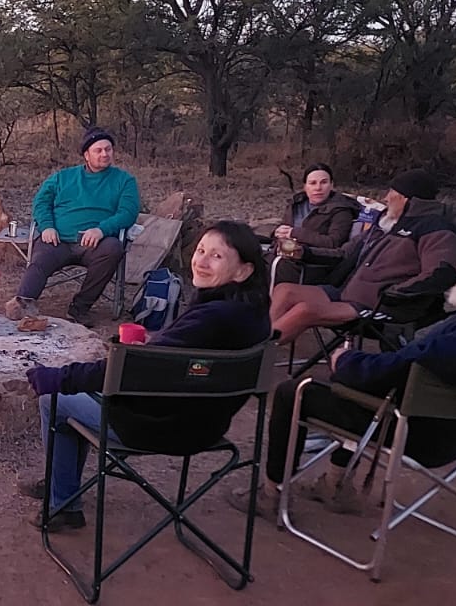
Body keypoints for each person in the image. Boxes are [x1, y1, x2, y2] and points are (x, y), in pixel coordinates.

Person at [232, 238, 456, 516]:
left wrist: (346, 360)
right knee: (355, 393)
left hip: (416, 433)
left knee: (295, 391)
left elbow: (387, 373)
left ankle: (270, 494)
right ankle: (335, 485)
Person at [19, 221, 272, 531]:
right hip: (206, 422)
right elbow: (187, 357)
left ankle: (63, 505)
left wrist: (59, 377)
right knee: (76, 395)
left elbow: (128, 370)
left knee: (54, 398)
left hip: (160, 425)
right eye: (201, 250)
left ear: (243, 271)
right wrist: (158, 346)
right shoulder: (251, 313)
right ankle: (61, 485)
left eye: (216, 256)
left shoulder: (214, 317)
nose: (202, 261)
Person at [268, 169, 456, 342]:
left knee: (305, 311)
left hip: (377, 305)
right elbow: (344, 254)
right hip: (348, 292)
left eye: (391, 193)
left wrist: (391, 293)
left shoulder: (436, 230)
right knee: (285, 291)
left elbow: (440, 274)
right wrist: (305, 253)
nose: (386, 198)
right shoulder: (386, 224)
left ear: (405, 199)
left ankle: (258, 354)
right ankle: (257, 342)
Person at [2, 127, 142, 326]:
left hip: (95, 244)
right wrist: (47, 226)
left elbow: (128, 212)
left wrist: (101, 230)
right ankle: (23, 303)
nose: (105, 154)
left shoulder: (124, 180)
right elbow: (41, 202)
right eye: (98, 150)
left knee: (113, 248)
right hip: (58, 240)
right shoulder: (63, 177)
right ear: (86, 155)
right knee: (41, 257)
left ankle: (79, 308)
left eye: (108, 149)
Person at [272, 163, 361, 284]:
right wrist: (277, 233)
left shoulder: (341, 210)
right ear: (305, 186)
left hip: (313, 263)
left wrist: (295, 233)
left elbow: (333, 243)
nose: (318, 188)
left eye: (324, 182)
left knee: (276, 267)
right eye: (312, 183)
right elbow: (283, 229)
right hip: (284, 254)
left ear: (331, 185)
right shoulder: (296, 204)